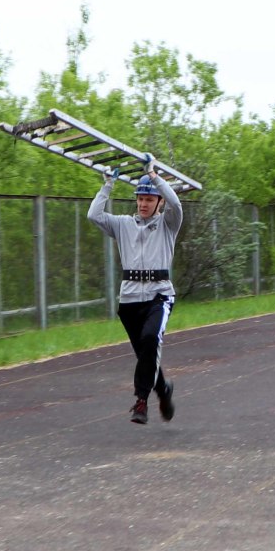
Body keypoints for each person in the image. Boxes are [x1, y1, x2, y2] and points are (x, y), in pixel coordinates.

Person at [87, 158, 182, 425]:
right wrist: (107, 185)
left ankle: (141, 401)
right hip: (129, 299)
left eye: (149, 199)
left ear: (158, 202)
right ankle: (163, 389)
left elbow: (176, 203)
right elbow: (93, 215)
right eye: (140, 198)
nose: (143, 204)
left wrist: (153, 176)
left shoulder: (168, 223)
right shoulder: (123, 224)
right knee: (145, 354)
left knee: (151, 339)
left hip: (159, 296)